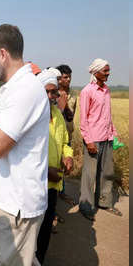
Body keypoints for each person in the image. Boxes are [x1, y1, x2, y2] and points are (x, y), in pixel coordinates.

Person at [0, 24, 49, 266]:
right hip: (11, 200)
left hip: (17, 206)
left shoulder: (25, 90)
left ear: (3, 54)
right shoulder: (12, 87)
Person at [34, 68, 74, 264]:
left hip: (53, 186)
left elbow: (65, 143)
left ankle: (39, 265)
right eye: (46, 91)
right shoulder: (32, 117)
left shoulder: (57, 115)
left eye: (54, 92)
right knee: (30, 233)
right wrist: (45, 172)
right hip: (35, 186)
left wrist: (68, 157)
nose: (50, 96)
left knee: (45, 231)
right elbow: (23, 156)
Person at [79, 58, 122, 221]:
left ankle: (103, 202)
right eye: (105, 71)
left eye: (108, 70)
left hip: (107, 137)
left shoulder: (107, 90)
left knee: (106, 173)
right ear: (96, 72)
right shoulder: (87, 91)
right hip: (93, 138)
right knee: (90, 174)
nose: (108, 73)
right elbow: (83, 120)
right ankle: (86, 206)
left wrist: (113, 133)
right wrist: (88, 141)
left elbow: (107, 115)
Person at [55, 64, 78, 207]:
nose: (68, 79)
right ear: (59, 79)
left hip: (67, 133)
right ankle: (54, 193)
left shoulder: (73, 94)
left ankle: (61, 192)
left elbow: (71, 116)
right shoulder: (53, 92)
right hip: (55, 135)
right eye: (65, 77)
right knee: (54, 164)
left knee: (65, 164)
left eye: (69, 77)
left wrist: (65, 105)